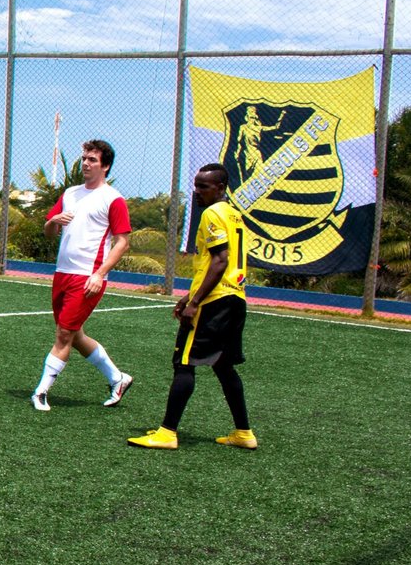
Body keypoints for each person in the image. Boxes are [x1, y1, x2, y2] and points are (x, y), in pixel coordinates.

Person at [130, 163, 258, 451]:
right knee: (224, 367)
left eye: (204, 186)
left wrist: (196, 302)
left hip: (214, 303)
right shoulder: (234, 215)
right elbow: (223, 264)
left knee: (184, 363)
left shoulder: (212, 213)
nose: (197, 191)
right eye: (196, 185)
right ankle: (244, 433)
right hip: (236, 298)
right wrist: (188, 297)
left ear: (221, 188)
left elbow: (220, 260)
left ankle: (167, 432)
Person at [31, 139, 134, 412]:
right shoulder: (70, 193)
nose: (86, 164)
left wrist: (100, 274)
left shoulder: (114, 199)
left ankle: (40, 392)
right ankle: (118, 378)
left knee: (64, 334)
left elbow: (122, 242)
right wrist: (53, 221)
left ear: (106, 166)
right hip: (62, 274)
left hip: (88, 278)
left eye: (93, 160)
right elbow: (49, 231)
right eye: (85, 158)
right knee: (74, 335)